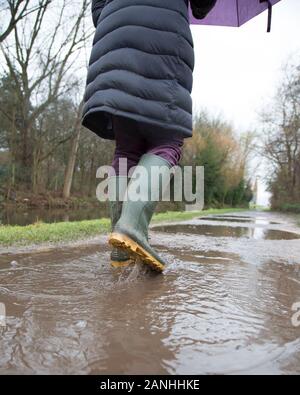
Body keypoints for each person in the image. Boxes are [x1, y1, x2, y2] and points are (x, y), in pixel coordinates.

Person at [81, 0, 217, 272]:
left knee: (127, 148)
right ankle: (131, 227)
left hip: (114, 43)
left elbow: (97, 12)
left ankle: (119, 248)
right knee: (167, 141)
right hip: (162, 44)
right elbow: (201, 6)